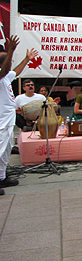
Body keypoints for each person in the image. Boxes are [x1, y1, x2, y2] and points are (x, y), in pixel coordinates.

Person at [0, 36, 37, 194]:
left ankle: (1, 178)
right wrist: (11, 51)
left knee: (6, 150)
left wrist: (27, 59)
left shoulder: (6, 77)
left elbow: (15, 71)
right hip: (1, 121)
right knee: (0, 150)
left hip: (8, 121)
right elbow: (6, 70)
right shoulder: (1, 75)